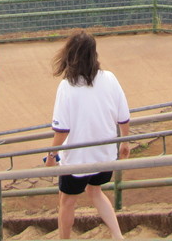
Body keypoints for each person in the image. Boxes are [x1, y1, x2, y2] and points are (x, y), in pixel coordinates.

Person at [46, 30, 131, 241]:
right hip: (105, 155)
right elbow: (123, 116)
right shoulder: (109, 78)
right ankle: (117, 236)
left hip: (77, 159)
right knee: (95, 191)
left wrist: (51, 155)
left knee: (67, 201)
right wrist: (125, 142)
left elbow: (62, 130)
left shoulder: (67, 86)